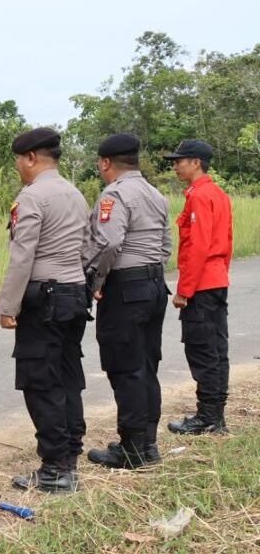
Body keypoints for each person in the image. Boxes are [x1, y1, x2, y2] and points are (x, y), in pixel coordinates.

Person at [0, 128, 90, 493]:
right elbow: (87, 248)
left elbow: (23, 256)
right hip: (73, 294)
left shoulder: (33, 196)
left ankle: (55, 469)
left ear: (31, 158)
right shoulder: (75, 193)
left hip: (44, 298)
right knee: (68, 376)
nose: (19, 167)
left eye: (19, 160)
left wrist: (9, 306)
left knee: (41, 381)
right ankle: (70, 455)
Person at [81, 134, 171, 469]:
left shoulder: (115, 194)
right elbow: (164, 245)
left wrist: (97, 281)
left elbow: (108, 244)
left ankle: (131, 448)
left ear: (106, 163)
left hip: (125, 289)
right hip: (154, 284)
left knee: (125, 368)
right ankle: (147, 443)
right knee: (147, 366)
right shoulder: (155, 193)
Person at [164, 139, 233, 435]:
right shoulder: (217, 193)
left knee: (203, 350)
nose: (176, 165)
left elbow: (199, 246)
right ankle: (214, 415)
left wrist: (184, 290)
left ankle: (208, 417)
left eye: (180, 160)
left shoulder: (201, 196)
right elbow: (226, 244)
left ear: (196, 162)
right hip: (216, 279)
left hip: (202, 284)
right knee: (217, 349)